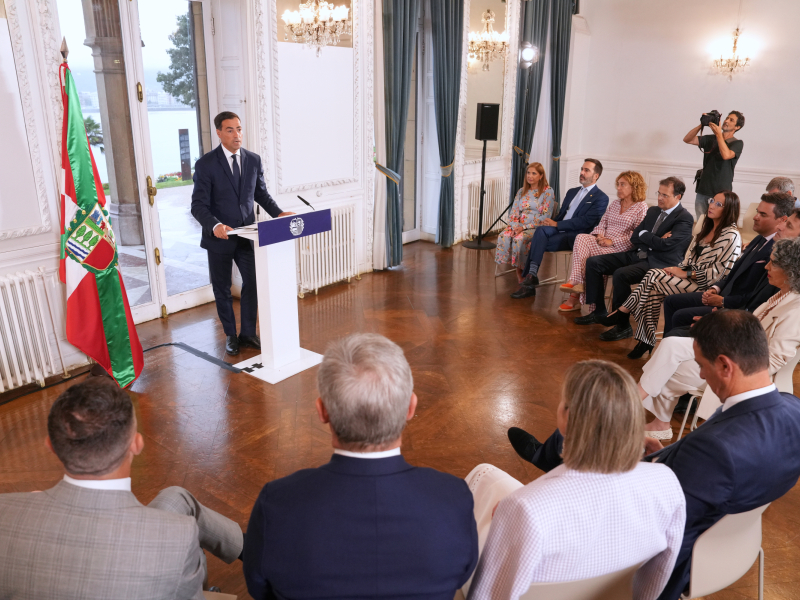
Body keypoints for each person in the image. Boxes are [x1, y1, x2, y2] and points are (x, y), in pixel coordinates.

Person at [507, 307, 800, 600]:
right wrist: (666, 456)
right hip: (736, 539)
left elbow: (656, 519)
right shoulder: (793, 409)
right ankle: (552, 457)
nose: (699, 373)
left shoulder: (715, 449)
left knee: (587, 432)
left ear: (725, 365)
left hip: (672, 560)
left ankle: (554, 459)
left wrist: (538, 513)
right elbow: (716, 479)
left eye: (701, 364)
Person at [243, 333, 478, 600]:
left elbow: (259, 588)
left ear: (322, 412)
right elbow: (462, 574)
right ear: (410, 408)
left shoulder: (277, 502)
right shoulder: (454, 497)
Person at [0, 378, 244, 600]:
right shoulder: (177, 536)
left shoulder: (5, 510)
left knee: (176, 497)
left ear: (51, 446)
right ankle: (258, 557)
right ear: (136, 445)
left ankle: (247, 547)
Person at [466, 361, 685, 600]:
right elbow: (660, 572)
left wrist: (509, 518)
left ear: (566, 418)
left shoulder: (525, 508)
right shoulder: (668, 482)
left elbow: (489, 594)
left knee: (485, 475)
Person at [638, 237, 800, 438]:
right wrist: (716, 329)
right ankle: (642, 404)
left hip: (742, 370)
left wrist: (727, 363)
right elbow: (748, 332)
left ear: (791, 270)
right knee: (670, 343)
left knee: (671, 370)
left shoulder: (796, 309)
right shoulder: (781, 295)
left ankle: (652, 416)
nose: (766, 265)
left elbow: (774, 360)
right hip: (733, 351)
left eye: (773, 262)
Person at [191, 111, 294, 356]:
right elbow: (198, 205)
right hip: (219, 238)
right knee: (223, 288)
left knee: (254, 282)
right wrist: (215, 225)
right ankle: (230, 335)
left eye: (239, 128)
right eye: (230, 130)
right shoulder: (205, 164)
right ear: (219, 133)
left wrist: (278, 214)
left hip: (248, 235)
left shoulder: (253, 160)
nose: (237, 135)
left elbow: (260, 195)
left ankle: (248, 333)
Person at [600, 191, 741, 358]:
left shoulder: (731, 235)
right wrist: (677, 270)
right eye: (712, 200)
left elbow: (719, 273)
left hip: (706, 285)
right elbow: (687, 257)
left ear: (729, 209)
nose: (711, 205)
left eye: (718, 204)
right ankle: (645, 339)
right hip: (688, 278)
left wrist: (684, 273)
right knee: (652, 287)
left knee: (652, 276)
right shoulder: (705, 229)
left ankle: (625, 311)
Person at [574, 176, 694, 342]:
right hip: (638, 254)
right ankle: (599, 311)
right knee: (594, 262)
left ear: (677, 197)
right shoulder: (653, 211)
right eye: (659, 193)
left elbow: (665, 246)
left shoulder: (684, 218)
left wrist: (648, 236)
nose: (659, 198)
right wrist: (655, 237)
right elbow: (635, 237)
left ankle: (623, 326)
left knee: (621, 274)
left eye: (665, 195)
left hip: (659, 262)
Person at [663, 193, 796, 334]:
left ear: (781, 220)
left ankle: (675, 345)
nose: (755, 217)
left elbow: (756, 297)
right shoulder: (759, 239)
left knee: (678, 316)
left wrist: (723, 303)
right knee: (671, 302)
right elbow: (733, 273)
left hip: (734, 306)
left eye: (763, 215)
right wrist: (716, 288)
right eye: (757, 212)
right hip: (722, 296)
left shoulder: (776, 252)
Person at [510, 159, 609, 299]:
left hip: (576, 235)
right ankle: (531, 276)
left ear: (596, 176)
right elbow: (562, 215)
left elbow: (587, 222)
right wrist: (551, 222)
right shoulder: (572, 192)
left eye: (586, 170)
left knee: (537, 241)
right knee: (540, 231)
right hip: (559, 228)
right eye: (582, 169)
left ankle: (529, 281)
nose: (581, 172)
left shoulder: (601, 197)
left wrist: (557, 225)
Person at [558, 171, 648, 312]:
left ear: (634, 187)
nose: (618, 188)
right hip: (602, 242)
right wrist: (600, 236)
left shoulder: (641, 207)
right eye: (618, 184)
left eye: (622, 185)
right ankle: (577, 282)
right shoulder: (615, 204)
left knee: (594, 259)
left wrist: (612, 241)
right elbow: (602, 223)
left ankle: (583, 301)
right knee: (581, 237)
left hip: (621, 248)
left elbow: (635, 236)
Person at [494, 162, 555, 282]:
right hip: (519, 226)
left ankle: (521, 273)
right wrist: (515, 226)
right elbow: (514, 212)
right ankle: (514, 265)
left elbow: (545, 216)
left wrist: (524, 227)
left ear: (541, 176)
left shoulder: (548, 191)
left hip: (536, 227)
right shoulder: (522, 191)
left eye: (534, 173)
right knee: (504, 235)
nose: (530, 176)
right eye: (528, 173)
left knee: (519, 239)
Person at [683, 111, 745, 219]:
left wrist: (718, 134)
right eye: (727, 118)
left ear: (737, 127)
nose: (726, 121)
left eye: (731, 120)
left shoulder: (737, 143)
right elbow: (687, 139)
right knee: (701, 223)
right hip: (703, 189)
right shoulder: (711, 138)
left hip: (721, 192)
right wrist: (702, 124)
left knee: (717, 224)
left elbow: (726, 155)